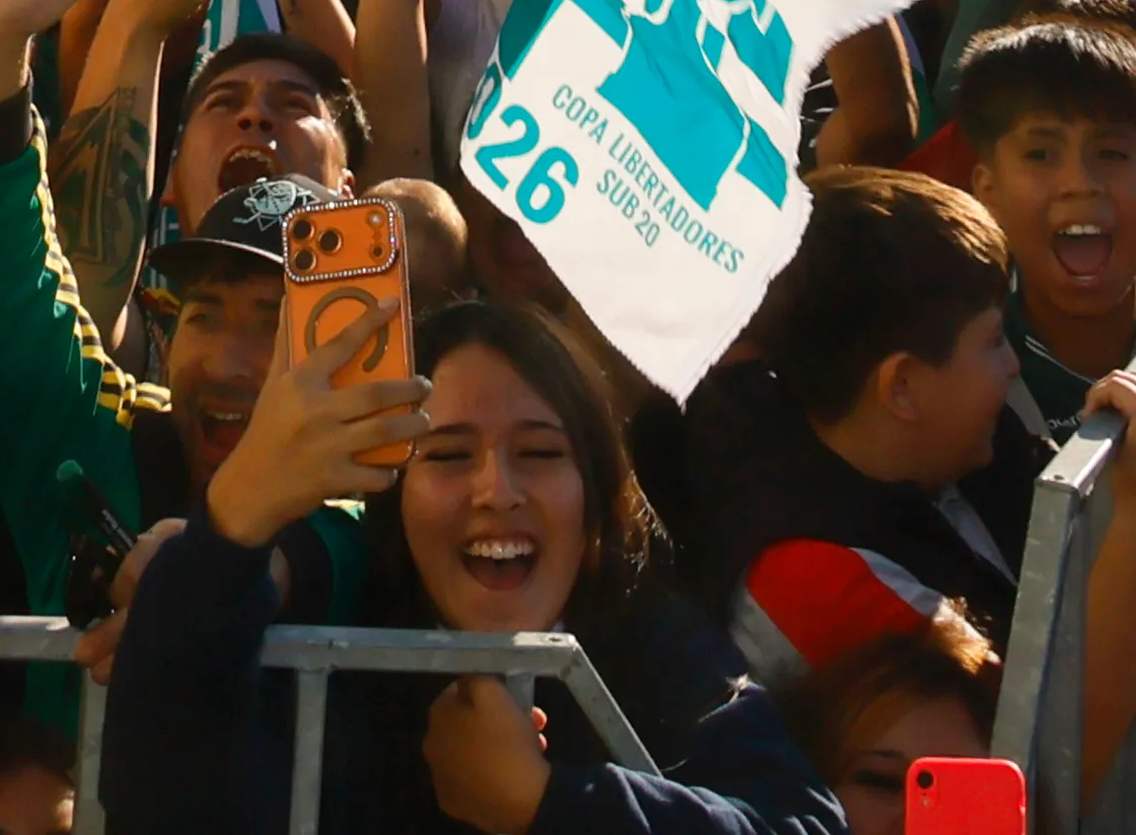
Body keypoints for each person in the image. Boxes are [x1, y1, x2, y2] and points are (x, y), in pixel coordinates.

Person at [101, 298, 848, 833]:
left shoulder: (658, 645)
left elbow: (805, 823)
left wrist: (548, 804)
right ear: (395, 495)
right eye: (450, 456)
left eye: (541, 454)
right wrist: (227, 537)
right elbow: (161, 794)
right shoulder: (326, 636)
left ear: (595, 498)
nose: (496, 492)